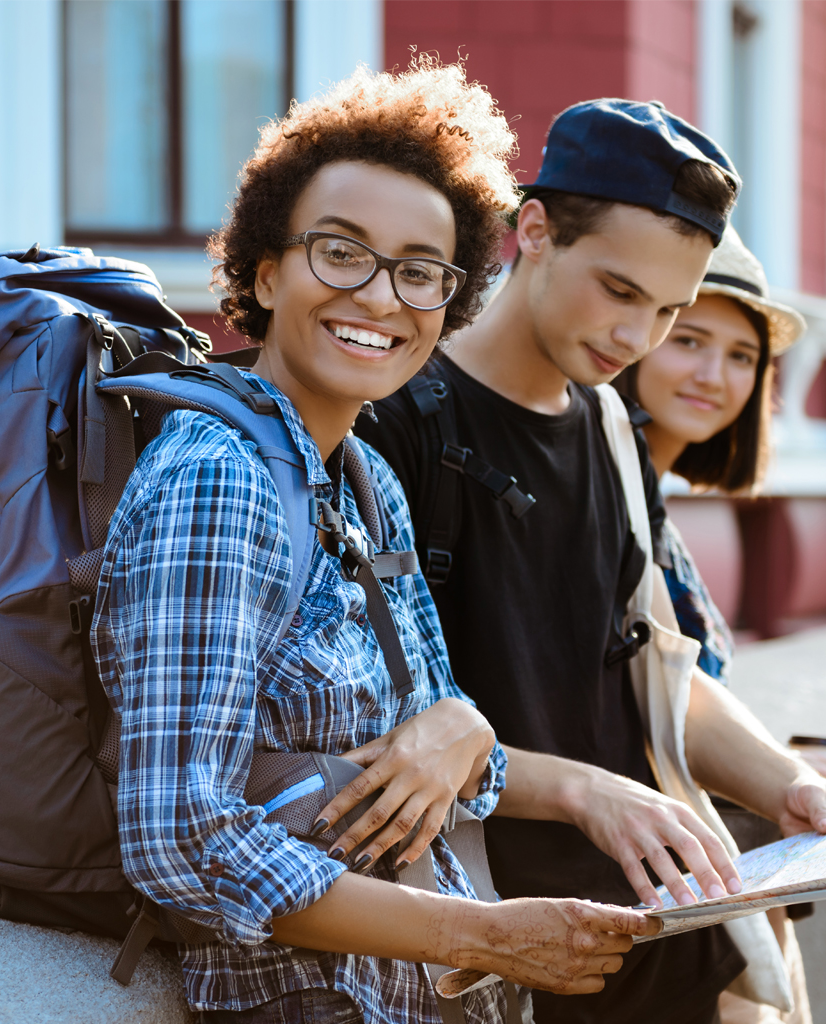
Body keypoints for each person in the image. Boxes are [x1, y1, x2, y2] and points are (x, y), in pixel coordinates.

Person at [91, 66, 656, 1024]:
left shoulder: (362, 475)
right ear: (266, 272)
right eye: (341, 252)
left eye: (419, 270)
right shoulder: (218, 477)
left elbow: (427, 740)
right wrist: (478, 936)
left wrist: (470, 733)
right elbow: (182, 835)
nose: (381, 297)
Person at [354, 98, 826, 1024]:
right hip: (496, 950)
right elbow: (368, 733)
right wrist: (583, 793)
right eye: (619, 290)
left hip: (657, 938)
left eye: (669, 309)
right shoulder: (396, 416)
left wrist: (791, 785)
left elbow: (654, 666)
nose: (637, 337)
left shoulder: (611, 425)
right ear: (533, 230)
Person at [617, 226, 814, 1024]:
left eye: (742, 356)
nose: (715, 374)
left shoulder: (652, 492)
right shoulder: (601, 481)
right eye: (689, 338)